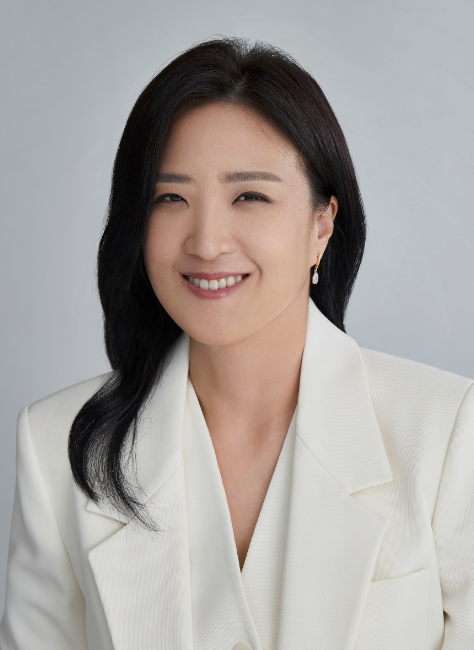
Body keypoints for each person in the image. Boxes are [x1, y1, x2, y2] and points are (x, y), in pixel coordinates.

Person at [0, 36, 473, 650]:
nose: (206, 241)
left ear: (322, 224)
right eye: (171, 198)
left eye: (249, 195)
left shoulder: (446, 433)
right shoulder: (57, 446)